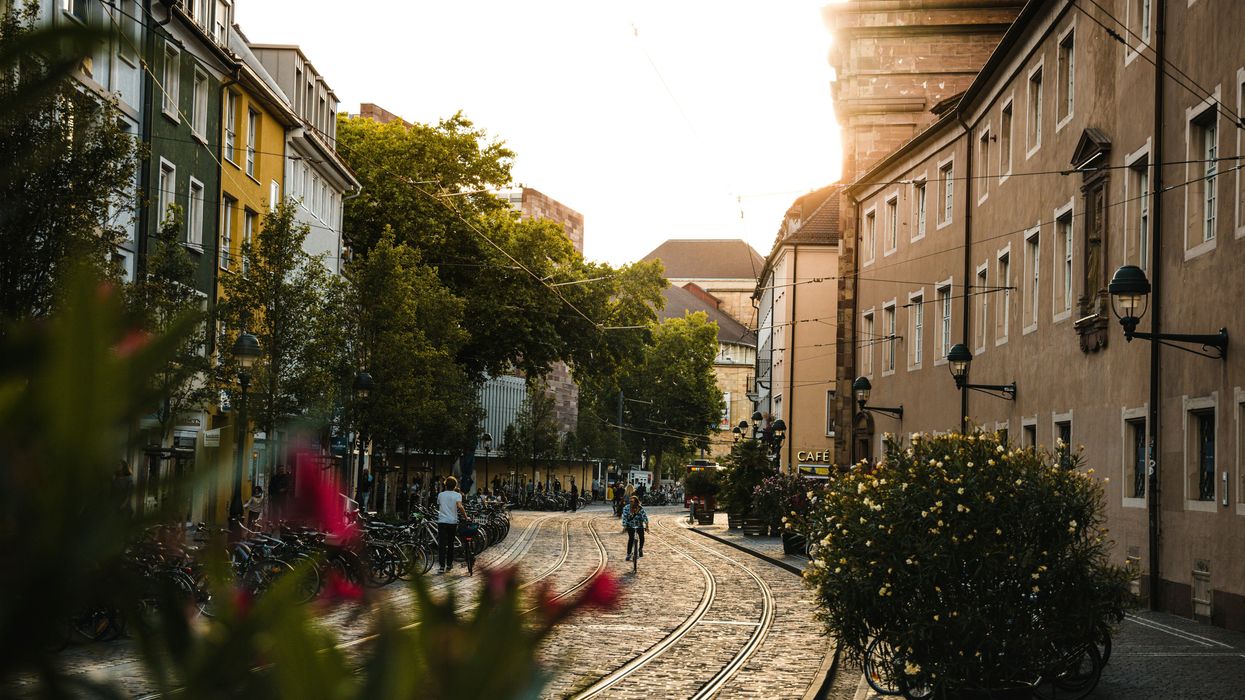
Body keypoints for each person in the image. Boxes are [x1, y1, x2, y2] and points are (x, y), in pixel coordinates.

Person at [436, 476, 468, 573]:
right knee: (450, 544)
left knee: (441, 544)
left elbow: (439, 505)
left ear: (445, 485)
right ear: (455, 486)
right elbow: (459, 506)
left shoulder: (440, 495)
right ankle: (449, 565)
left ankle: (441, 566)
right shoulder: (457, 495)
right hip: (452, 522)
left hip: (442, 521)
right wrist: (466, 516)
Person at [621, 495, 649, 561]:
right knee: (631, 539)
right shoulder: (626, 508)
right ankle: (628, 554)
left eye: (633, 501)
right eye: (630, 501)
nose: (631, 503)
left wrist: (647, 525)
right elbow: (624, 517)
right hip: (630, 525)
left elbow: (644, 516)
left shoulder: (640, 508)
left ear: (636, 502)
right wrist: (624, 526)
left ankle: (640, 549)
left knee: (642, 537)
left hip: (639, 524)